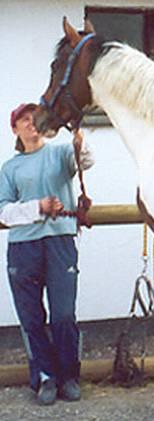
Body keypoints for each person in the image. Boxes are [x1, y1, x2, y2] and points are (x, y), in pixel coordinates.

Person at [0, 103, 94, 405]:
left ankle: (69, 376)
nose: (31, 124)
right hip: (23, 248)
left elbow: (86, 160)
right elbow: (3, 210)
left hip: (60, 243)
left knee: (63, 314)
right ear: (15, 129)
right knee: (31, 317)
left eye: (35, 118)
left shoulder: (60, 154)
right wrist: (37, 207)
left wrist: (81, 140)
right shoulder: (10, 168)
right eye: (24, 120)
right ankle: (44, 377)